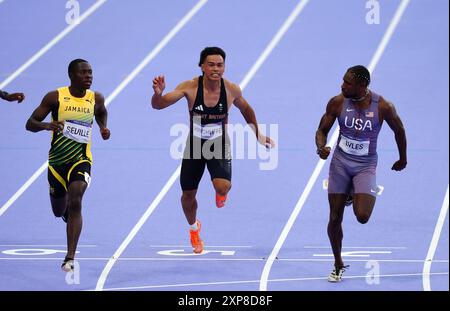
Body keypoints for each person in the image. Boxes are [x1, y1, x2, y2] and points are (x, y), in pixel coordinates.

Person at [151, 47, 275, 254]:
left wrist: (258, 134)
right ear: (202, 66)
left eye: (220, 65)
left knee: (222, 187)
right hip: (195, 145)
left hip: (218, 142)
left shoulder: (231, 90)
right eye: (211, 64)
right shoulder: (189, 88)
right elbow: (159, 105)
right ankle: (194, 229)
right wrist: (158, 94)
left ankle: (221, 193)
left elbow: (246, 109)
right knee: (188, 195)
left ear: (224, 67)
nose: (215, 69)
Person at [315, 65, 407, 282]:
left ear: (362, 85)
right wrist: (320, 147)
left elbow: (399, 130)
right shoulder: (337, 102)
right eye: (343, 80)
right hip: (340, 163)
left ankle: (353, 193)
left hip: (365, 165)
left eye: (347, 82)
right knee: (335, 217)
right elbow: (321, 130)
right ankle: (337, 263)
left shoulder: (383, 106)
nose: (342, 85)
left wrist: (403, 158)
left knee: (363, 217)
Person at [25, 59, 110, 272]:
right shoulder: (55, 97)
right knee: (59, 210)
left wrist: (103, 128)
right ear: (72, 75)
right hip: (56, 163)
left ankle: (70, 257)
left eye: (90, 72)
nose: (89, 76)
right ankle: (66, 214)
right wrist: (46, 125)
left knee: (77, 198)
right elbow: (30, 123)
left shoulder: (95, 98)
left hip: (81, 159)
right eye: (84, 73)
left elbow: (101, 111)